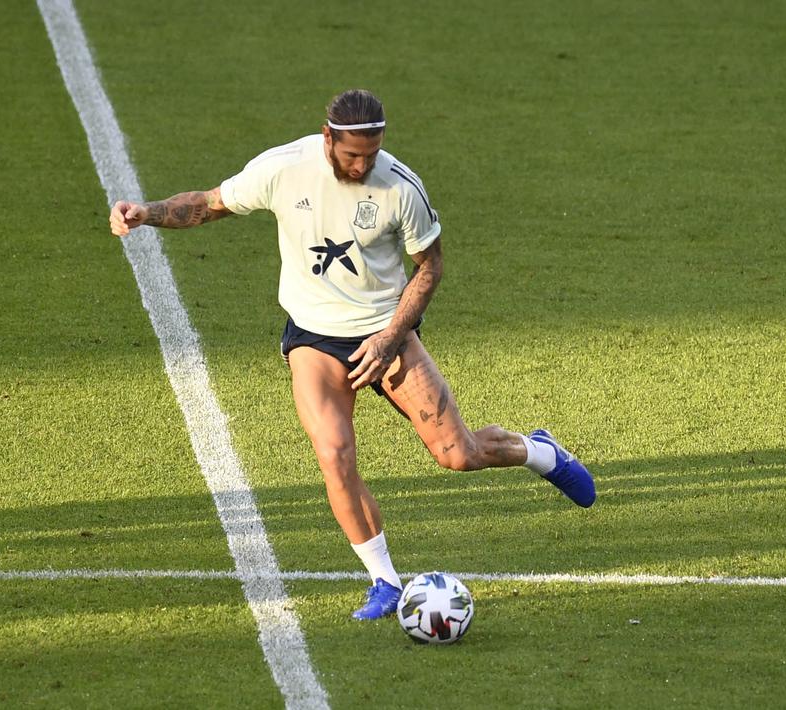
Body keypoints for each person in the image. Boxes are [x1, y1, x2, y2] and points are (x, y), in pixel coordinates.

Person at [109, 89, 596, 620]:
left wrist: (390, 337)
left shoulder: (400, 188)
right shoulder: (283, 168)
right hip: (314, 338)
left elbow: (428, 268)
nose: (362, 165)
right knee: (335, 454)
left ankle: (542, 452)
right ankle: (384, 581)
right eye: (351, 155)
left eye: (372, 153)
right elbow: (208, 203)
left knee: (458, 454)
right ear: (328, 139)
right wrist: (147, 213)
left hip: (386, 333)